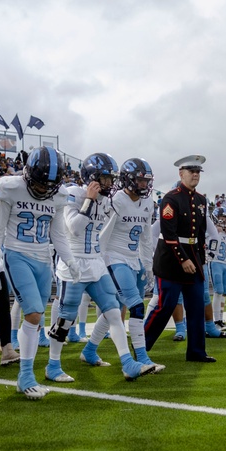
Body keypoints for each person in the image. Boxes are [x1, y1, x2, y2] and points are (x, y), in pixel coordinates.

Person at [47, 153, 156, 378]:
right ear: (90, 177)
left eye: (110, 179)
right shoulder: (73, 193)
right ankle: (53, 366)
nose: (108, 184)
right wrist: (89, 199)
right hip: (73, 262)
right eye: (104, 179)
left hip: (96, 262)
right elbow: (74, 228)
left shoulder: (108, 201)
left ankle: (128, 363)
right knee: (66, 317)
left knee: (114, 311)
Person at [0, 147, 78, 398]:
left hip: (43, 259)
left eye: (50, 184)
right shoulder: (10, 187)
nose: (44, 189)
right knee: (34, 314)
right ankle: (26, 375)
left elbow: (58, 233)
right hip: (17, 255)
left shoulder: (58, 195)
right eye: (39, 183)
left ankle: (27, 373)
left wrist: (70, 260)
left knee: (36, 317)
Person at [143, 156, 213, 362]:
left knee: (196, 307)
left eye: (198, 172)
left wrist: (200, 260)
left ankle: (197, 352)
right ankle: (141, 346)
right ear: (181, 173)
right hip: (171, 261)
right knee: (165, 306)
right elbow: (169, 233)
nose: (195, 175)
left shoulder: (201, 200)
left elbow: (200, 234)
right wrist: (183, 259)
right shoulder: (170, 198)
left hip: (194, 258)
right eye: (191, 171)